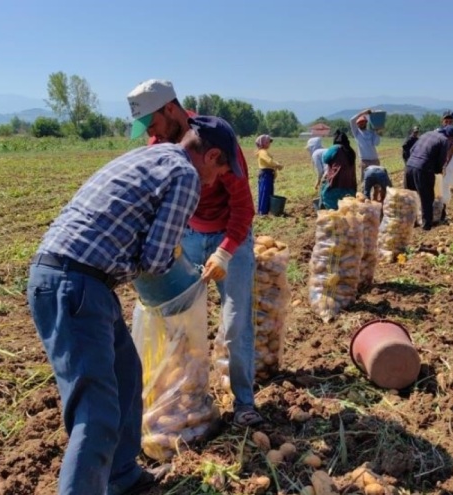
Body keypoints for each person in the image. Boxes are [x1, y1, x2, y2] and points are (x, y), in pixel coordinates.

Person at [27, 120, 235, 495]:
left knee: (126, 374)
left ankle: (121, 475)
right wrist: (183, 279)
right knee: (96, 410)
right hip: (75, 286)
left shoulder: (149, 156)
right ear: (212, 155)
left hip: (73, 279)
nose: (213, 181)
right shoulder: (186, 174)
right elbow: (156, 259)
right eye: (219, 171)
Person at [127, 79, 262, 427]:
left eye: (153, 124)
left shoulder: (214, 142)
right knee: (178, 324)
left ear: (170, 110)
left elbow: (243, 209)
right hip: (186, 234)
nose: (151, 134)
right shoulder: (158, 143)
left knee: (234, 323)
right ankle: (183, 402)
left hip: (230, 234)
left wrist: (225, 252)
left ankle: (244, 403)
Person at [405, 125, 453, 230]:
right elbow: (442, 159)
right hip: (423, 168)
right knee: (426, 197)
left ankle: (411, 222)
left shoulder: (427, 133)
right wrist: (438, 172)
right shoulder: (444, 140)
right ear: (450, 137)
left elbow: (412, 149)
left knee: (411, 196)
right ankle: (426, 225)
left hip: (409, 166)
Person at [319, 132, 358, 209]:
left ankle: (333, 215)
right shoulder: (351, 150)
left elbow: (325, 159)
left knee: (327, 197)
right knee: (347, 206)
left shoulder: (335, 148)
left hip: (336, 180)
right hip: (350, 183)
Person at [349, 109, 381, 180]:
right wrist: (364, 112)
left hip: (374, 160)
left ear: (366, 123)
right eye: (360, 122)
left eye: (363, 122)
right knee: (364, 182)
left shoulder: (371, 132)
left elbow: (376, 143)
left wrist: (377, 133)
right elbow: (351, 120)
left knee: (377, 182)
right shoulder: (357, 133)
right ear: (357, 124)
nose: (362, 123)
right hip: (364, 161)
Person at [255, 134, 283, 215]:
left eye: (269, 142)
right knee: (265, 192)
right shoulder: (262, 152)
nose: (269, 144)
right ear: (263, 143)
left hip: (268, 174)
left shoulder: (264, 151)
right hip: (265, 174)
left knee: (268, 192)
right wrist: (278, 165)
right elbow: (269, 161)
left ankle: (265, 210)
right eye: (268, 142)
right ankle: (263, 212)